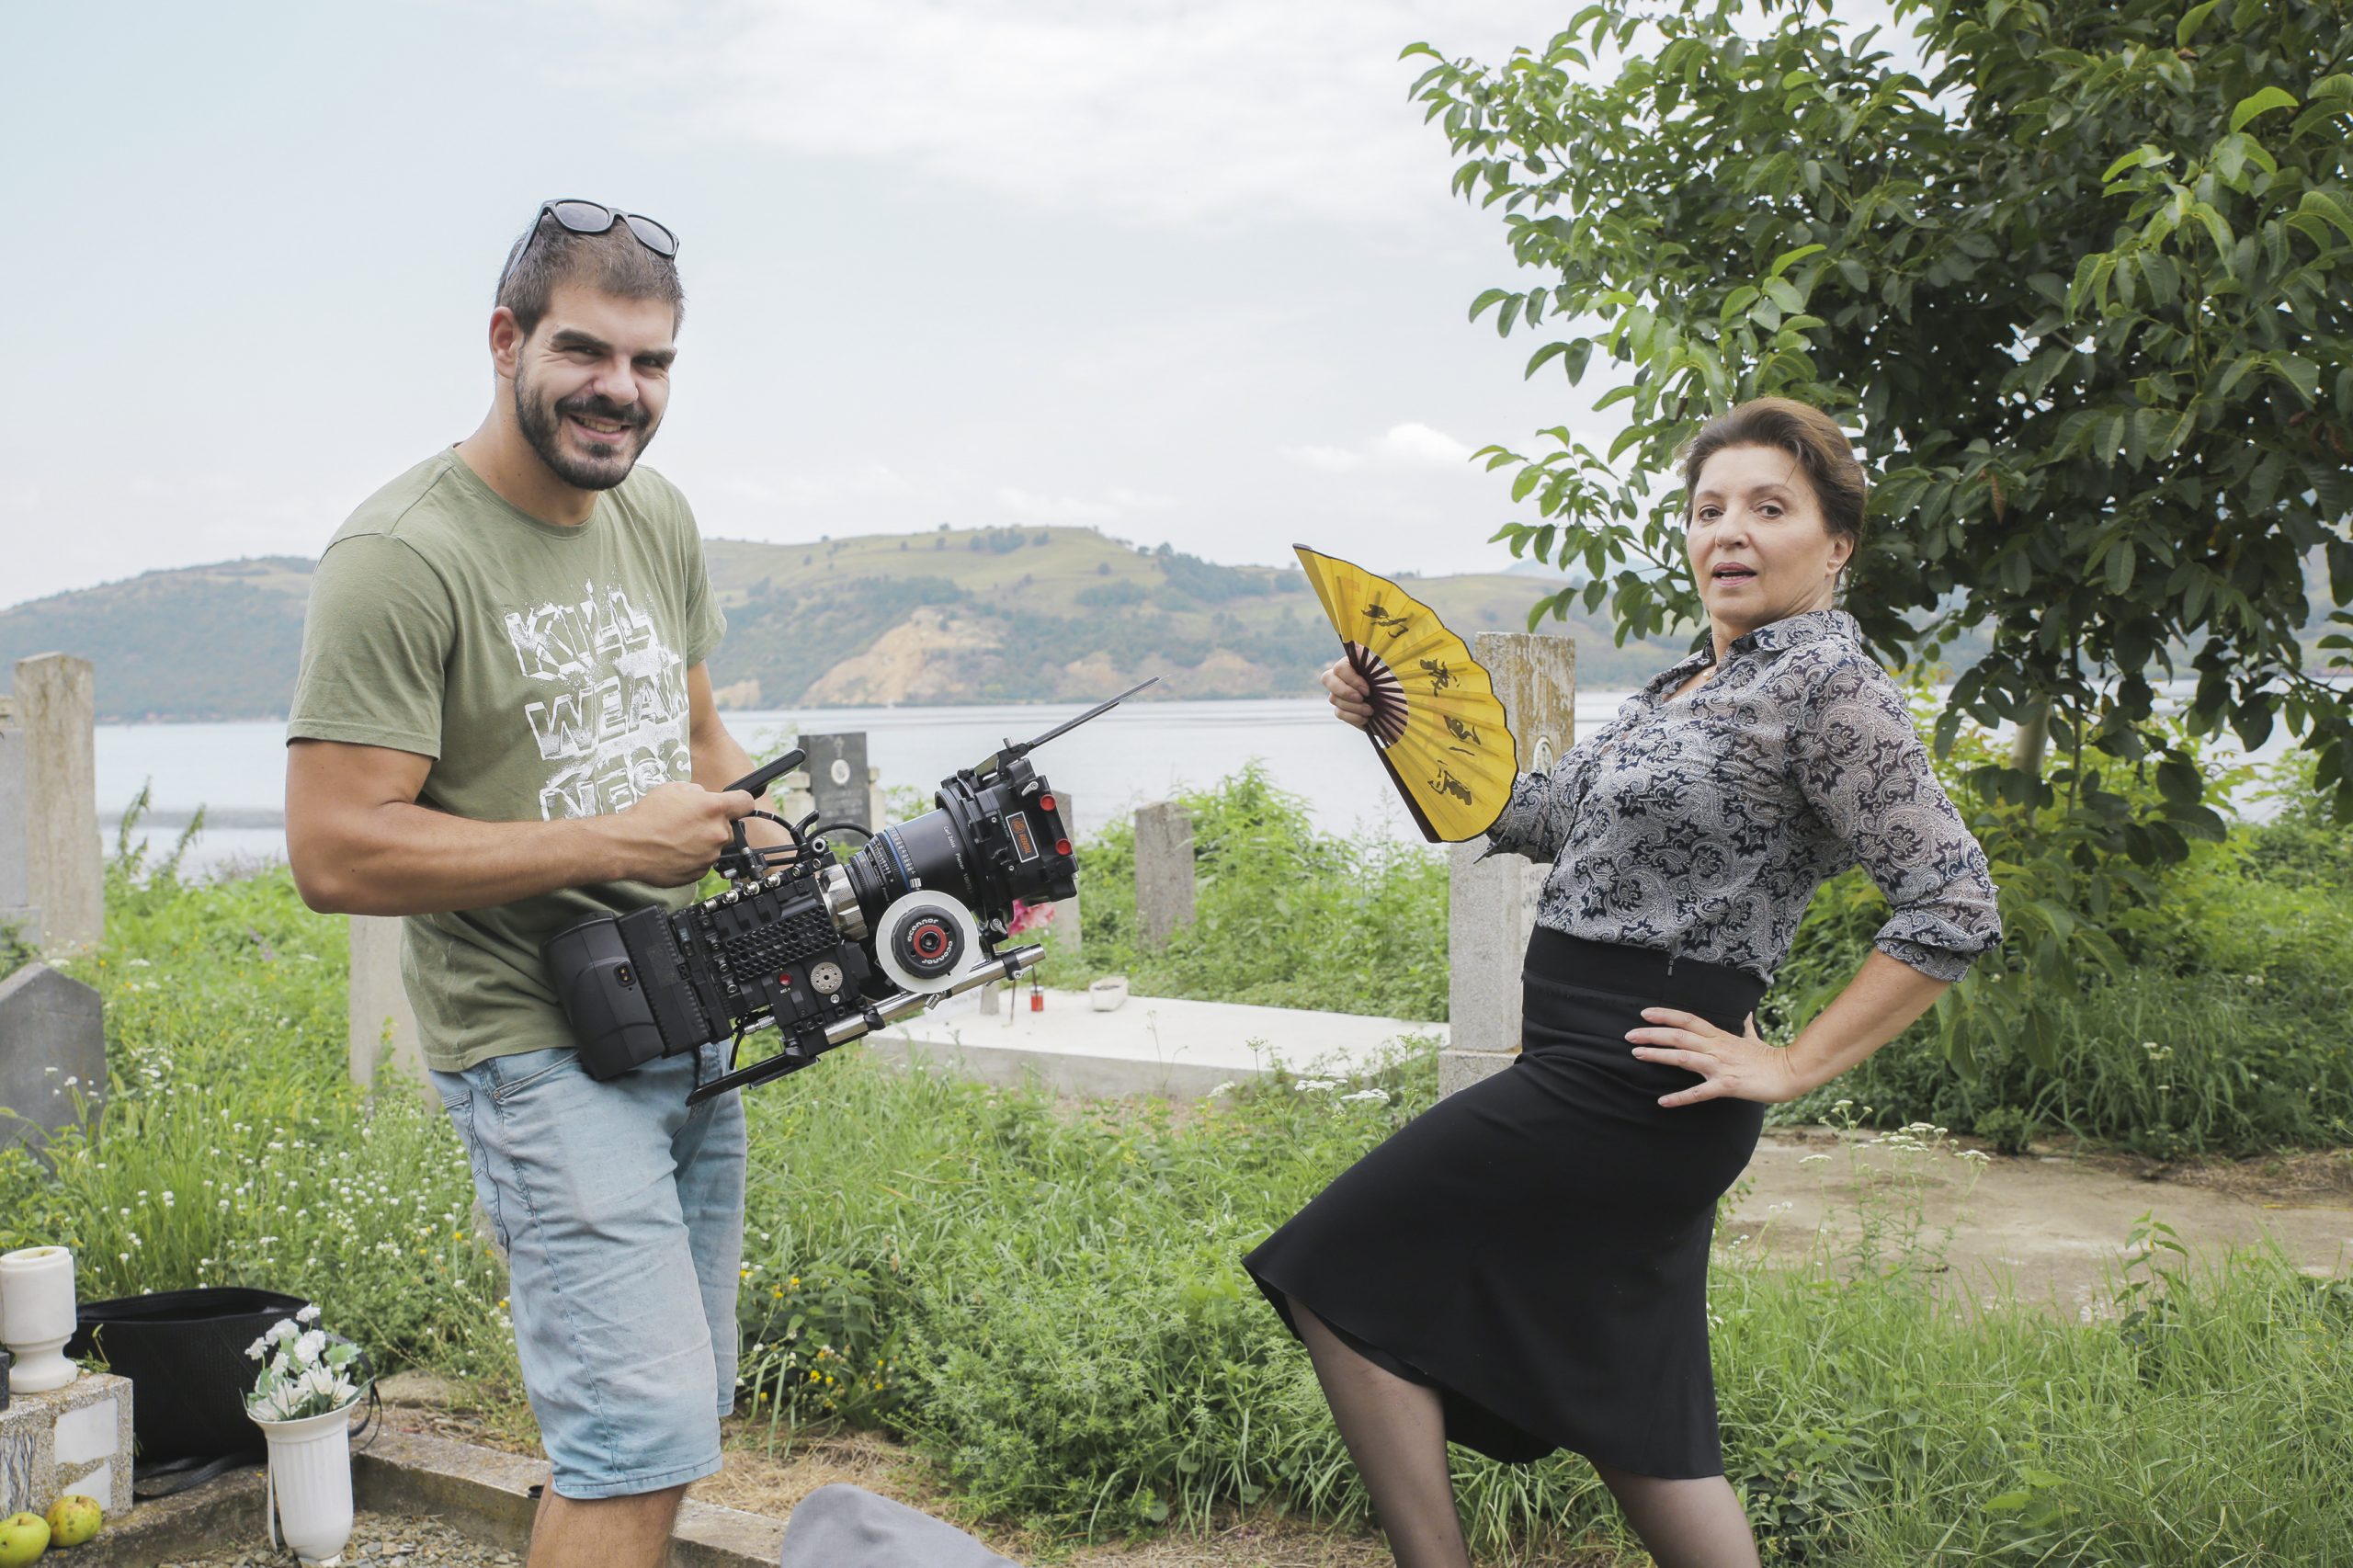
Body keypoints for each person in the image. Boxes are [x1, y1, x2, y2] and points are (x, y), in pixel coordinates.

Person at [1247, 397, 2003, 1567]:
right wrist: (1391, 724)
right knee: (1643, 1423)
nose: (1728, 532)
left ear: (1835, 545)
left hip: (1634, 1079)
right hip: (1593, 1066)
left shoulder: (1827, 686)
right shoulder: (1679, 687)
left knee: (1334, 1266)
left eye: (1768, 508)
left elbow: (1951, 900)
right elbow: (1536, 814)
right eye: (1708, 509)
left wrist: (1791, 1064)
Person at [284, 200, 790, 1568]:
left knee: (681, 1417)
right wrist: (621, 843)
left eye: (652, 361)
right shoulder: (401, 557)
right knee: (633, 1437)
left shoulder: (654, 514)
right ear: (506, 340)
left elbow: (698, 738)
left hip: (681, 1012)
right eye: (586, 351)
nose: (621, 389)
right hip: (534, 1045)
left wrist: (799, 855)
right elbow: (336, 849)